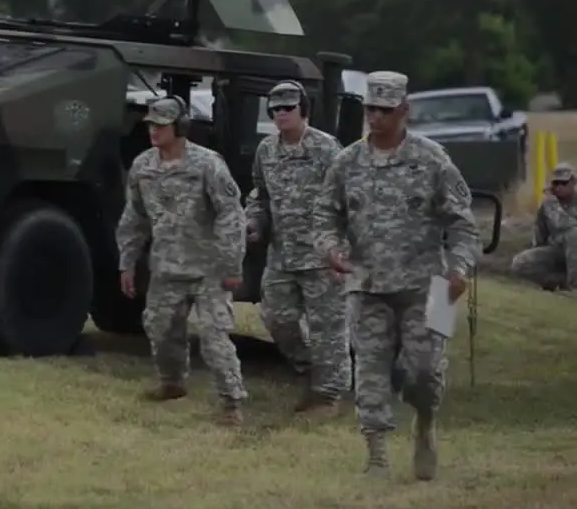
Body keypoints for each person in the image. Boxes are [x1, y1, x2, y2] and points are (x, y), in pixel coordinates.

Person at [313, 70, 481, 481]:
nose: (377, 118)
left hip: (433, 285)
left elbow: (463, 225)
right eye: (371, 108)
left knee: (425, 371)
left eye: (386, 110)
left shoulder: (433, 158)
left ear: (404, 110)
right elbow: (323, 216)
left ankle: (425, 427)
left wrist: (459, 269)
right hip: (366, 284)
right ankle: (377, 456)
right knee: (369, 369)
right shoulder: (346, 162)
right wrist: (331, 249)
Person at [116, 95, 249, 425]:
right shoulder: (143, 166)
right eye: (151, 125)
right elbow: (134, 218)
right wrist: (127, 262)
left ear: (179, 127)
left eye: (161, 126)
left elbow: (231, 213)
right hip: (166, 266)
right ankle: (172, 383)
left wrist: (232, 263)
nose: (154, 132)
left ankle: (232, 403)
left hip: (208, 269)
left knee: (214, 337)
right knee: (159, 329)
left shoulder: (207, 164)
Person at [246, 81, 348, 416]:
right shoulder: (266, 151)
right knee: (277, 317)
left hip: (321, 256)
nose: (281, 114)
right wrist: (255, 223)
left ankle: (328, 395)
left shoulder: (326, 149)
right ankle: (311, 371)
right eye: (275, 109)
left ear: (303, 109)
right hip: (283, 255)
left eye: (288, 107)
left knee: (327, 328)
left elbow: (345, 200)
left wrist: (339, 249)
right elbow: (259, 195)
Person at [510, 162, 577, 291]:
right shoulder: (547, 205)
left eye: (563, 183)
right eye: (555, 183)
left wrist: (553, 204)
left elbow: (566, 225)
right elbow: (541, 236)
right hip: (558, 252)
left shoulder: (553, 204)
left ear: (573, 182)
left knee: (574, 235)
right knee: (520, 263)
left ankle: (575, 287)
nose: (558, 187)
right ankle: (559, 282)